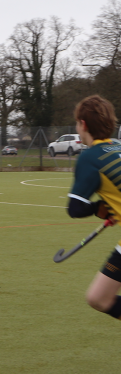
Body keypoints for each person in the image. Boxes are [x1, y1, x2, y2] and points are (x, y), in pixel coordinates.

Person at [65, 95, 121, 323]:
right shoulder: (118, 147)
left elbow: (76, 208)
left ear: (83, 124)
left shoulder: (90, 157)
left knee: (99, 298)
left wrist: (98, 207)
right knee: (99, 297)